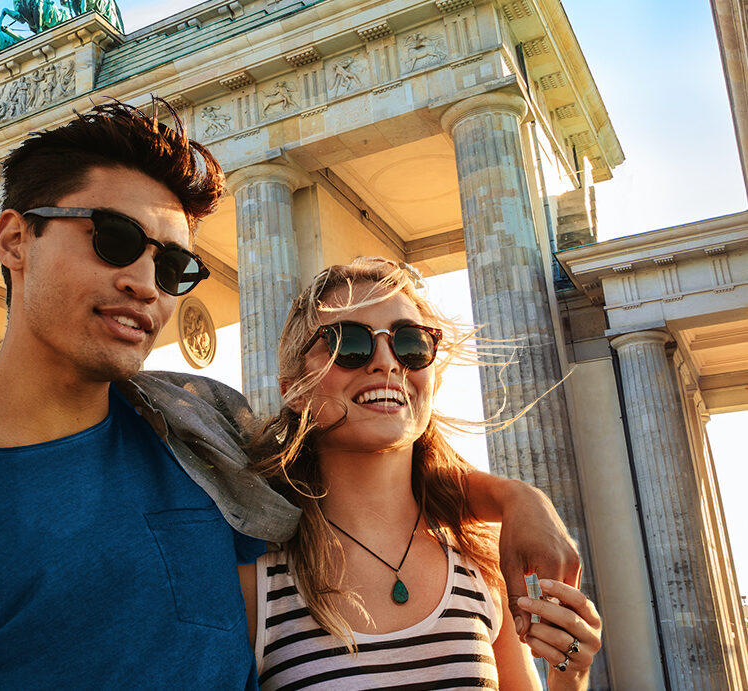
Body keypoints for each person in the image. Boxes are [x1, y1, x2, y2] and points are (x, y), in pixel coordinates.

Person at [0, 101, 583, 690]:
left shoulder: (206, 442)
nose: (145, 282)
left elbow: (355, 447)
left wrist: (515, 498)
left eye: (174, 265)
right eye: (113, 239)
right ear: (14, 239)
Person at [247, 258, 603, 690]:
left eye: (410, 344)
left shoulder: (479, 565)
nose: (387, 362)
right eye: (348, 343)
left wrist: (571, 674)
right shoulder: (256, 578)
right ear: (296, 391)